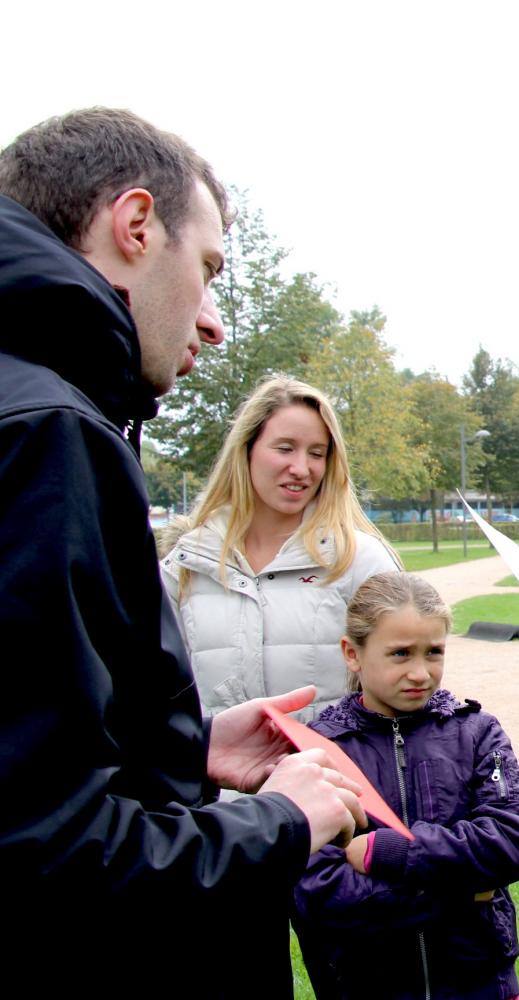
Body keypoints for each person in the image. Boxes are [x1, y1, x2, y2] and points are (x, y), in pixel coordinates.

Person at [0, 108, 366, 993]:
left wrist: (179, 749)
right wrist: (280, 821)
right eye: (204, 272)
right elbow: (39, 845)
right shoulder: (47, 429)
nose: (213, 323)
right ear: (134, 227)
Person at [294, 572, 519, 999]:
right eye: (400, 654)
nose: (420, 672)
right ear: (352, 653)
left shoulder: (478, 733)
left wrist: (390, 852)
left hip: (479, 982)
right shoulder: (318, 750)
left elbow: (508, 846)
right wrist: (464, 891)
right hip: (364, 984)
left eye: (433, 652)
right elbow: (319, 893)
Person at [162, 374, 402, 720]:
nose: (301, 468)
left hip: (334, 772)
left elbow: (407, 688)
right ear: (247, 449)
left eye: (316, 453)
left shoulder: (361, 561)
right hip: (215, 774)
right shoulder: (185, 566)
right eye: (285, 448)